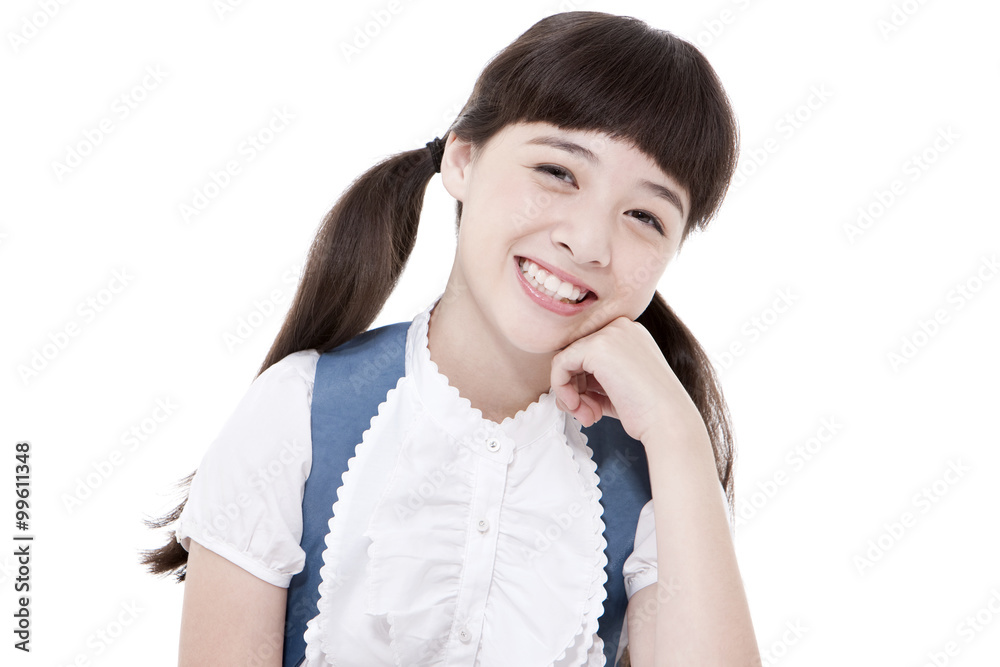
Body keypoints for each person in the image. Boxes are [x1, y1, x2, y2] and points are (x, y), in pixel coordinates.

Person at [141, 10, 760, 666]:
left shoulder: (654, 468)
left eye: (644, 215)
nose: (588, 241)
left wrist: (678, 432)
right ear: (463, 159)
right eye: (558, 172)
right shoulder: (296, 415)